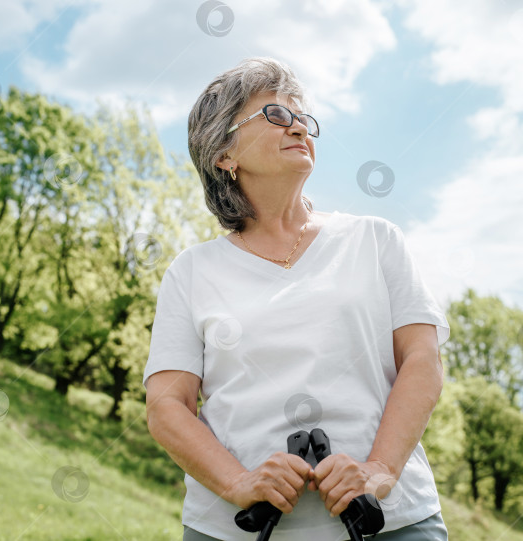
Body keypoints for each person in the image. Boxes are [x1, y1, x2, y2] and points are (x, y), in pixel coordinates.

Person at [143, 57, 451, 541]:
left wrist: (379, 470)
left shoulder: (376, 239)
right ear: (224, 154)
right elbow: (166, 407)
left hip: (389, 525)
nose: (298, 128)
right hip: (237, 532)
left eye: (302, 118)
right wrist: (238, 482)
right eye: (275, 115)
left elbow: (422, 360)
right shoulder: (190, 272)